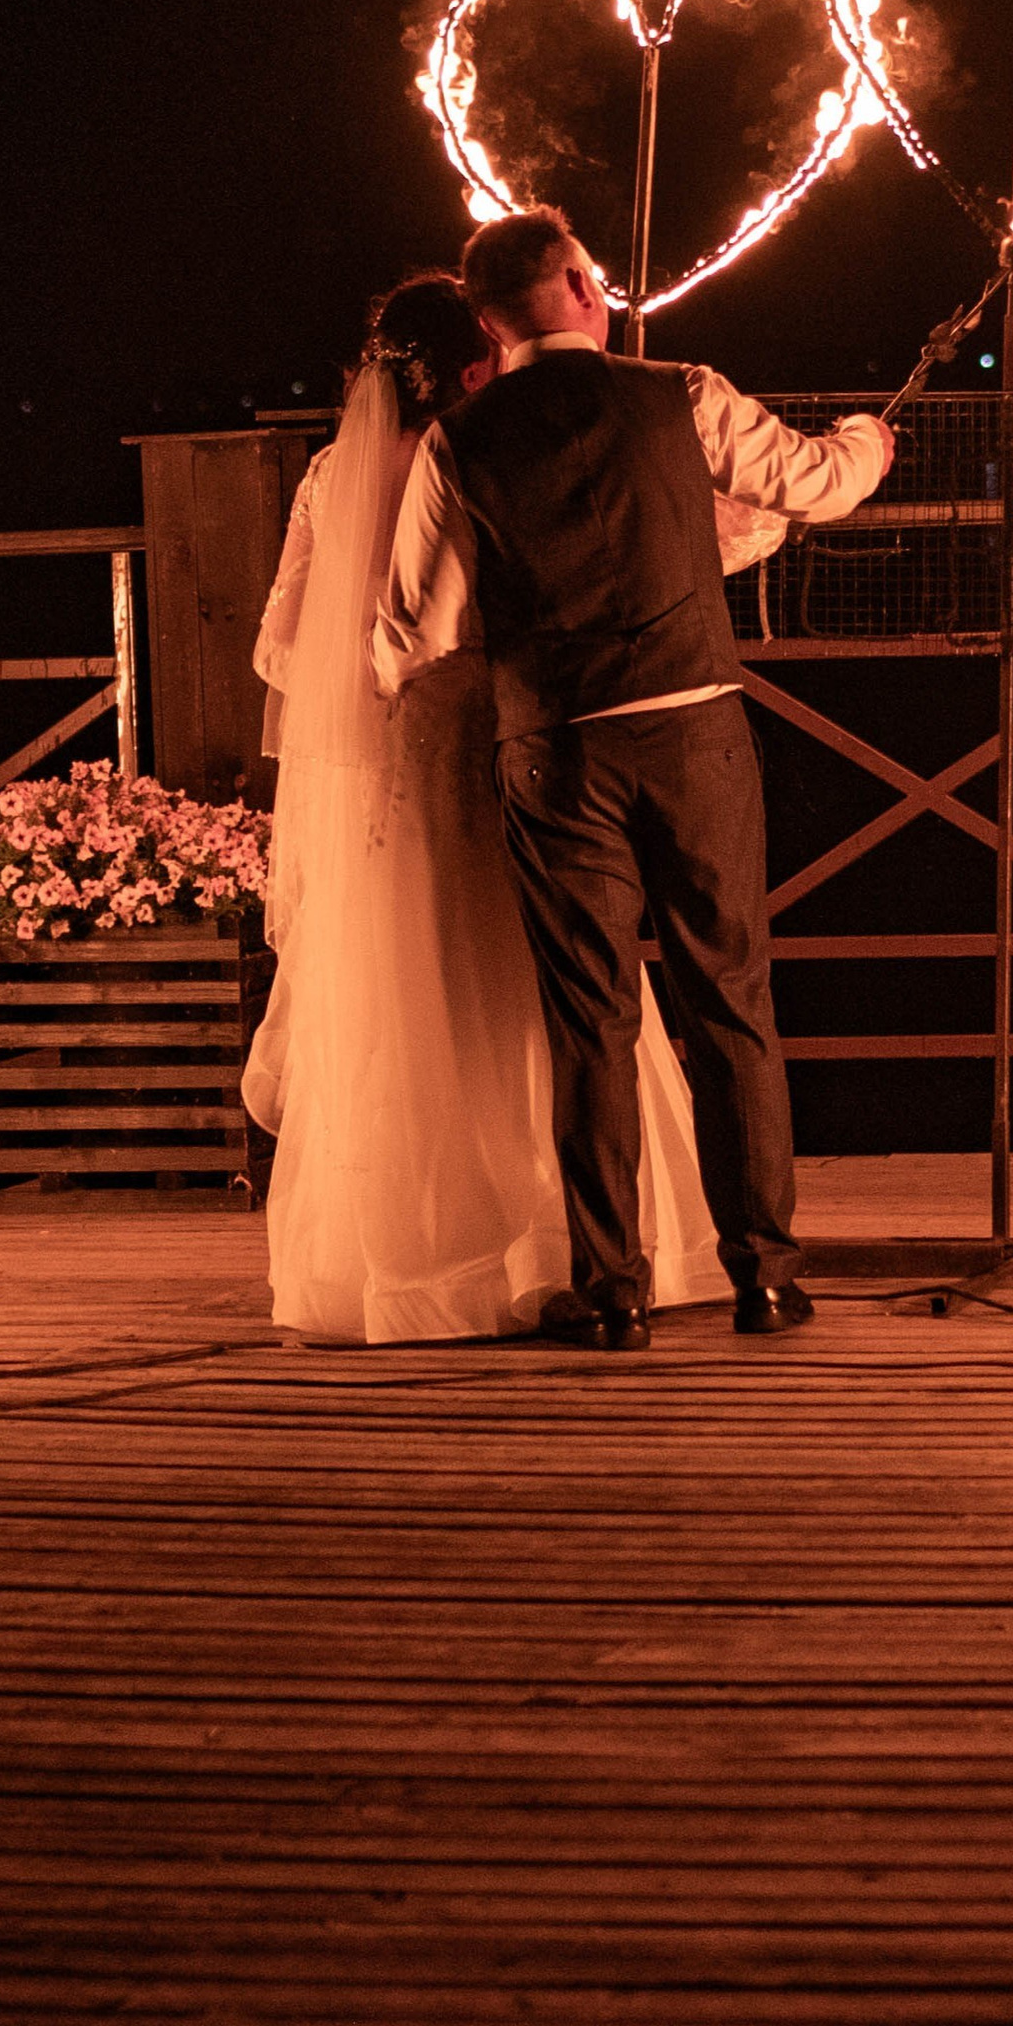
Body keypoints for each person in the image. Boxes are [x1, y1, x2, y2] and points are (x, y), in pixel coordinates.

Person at [372, 206, 892, 1349]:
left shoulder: (462, 440)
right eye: (591, 276)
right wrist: (869, 437)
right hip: (693, 730)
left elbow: (413, 634)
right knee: (729, 1005)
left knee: (590, 1019)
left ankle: (611, 1288)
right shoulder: (683, 392)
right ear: (571, 284)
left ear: (490, 319)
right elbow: (814, 484)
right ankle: (762, 1274)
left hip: (554, 749)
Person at [245, 273, 727, 1343]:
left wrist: (360, 679)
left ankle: (415, 1269)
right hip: (505, 748)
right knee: (554, 990)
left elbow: (278, 648)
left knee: (406, 997)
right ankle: (577, 1244)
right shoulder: (482, 452)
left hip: (391, 778)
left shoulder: (329, 475)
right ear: (475, 364)